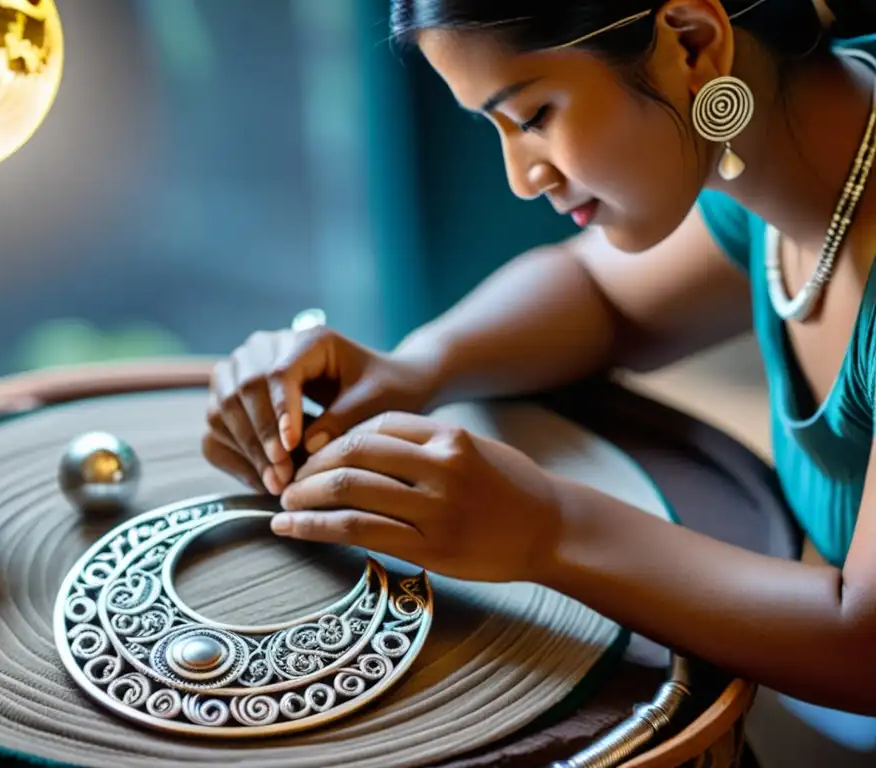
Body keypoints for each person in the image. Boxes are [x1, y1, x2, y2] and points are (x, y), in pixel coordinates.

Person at [203, 0, 876, 761]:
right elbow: (604, 298)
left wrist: (547, 527)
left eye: (533, 115)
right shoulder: (792, 165)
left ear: (691, 44)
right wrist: (415, 368)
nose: (523, 177)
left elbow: (864, 642)